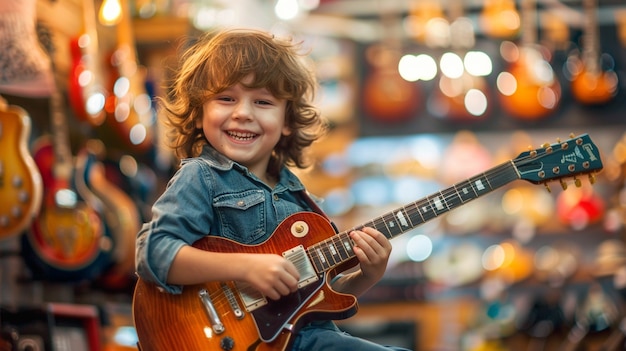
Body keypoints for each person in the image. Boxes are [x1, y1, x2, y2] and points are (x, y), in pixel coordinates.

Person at [135, 28, 411, 351]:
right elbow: (152, 251)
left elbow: (315, 299)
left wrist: (368, 274)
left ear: (287, 121)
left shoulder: (302, 200)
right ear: (199, 113)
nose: (242, 113)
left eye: (263, 102)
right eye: (226, 98)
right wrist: (246, 267)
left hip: (298, 338)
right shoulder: (201, 177)